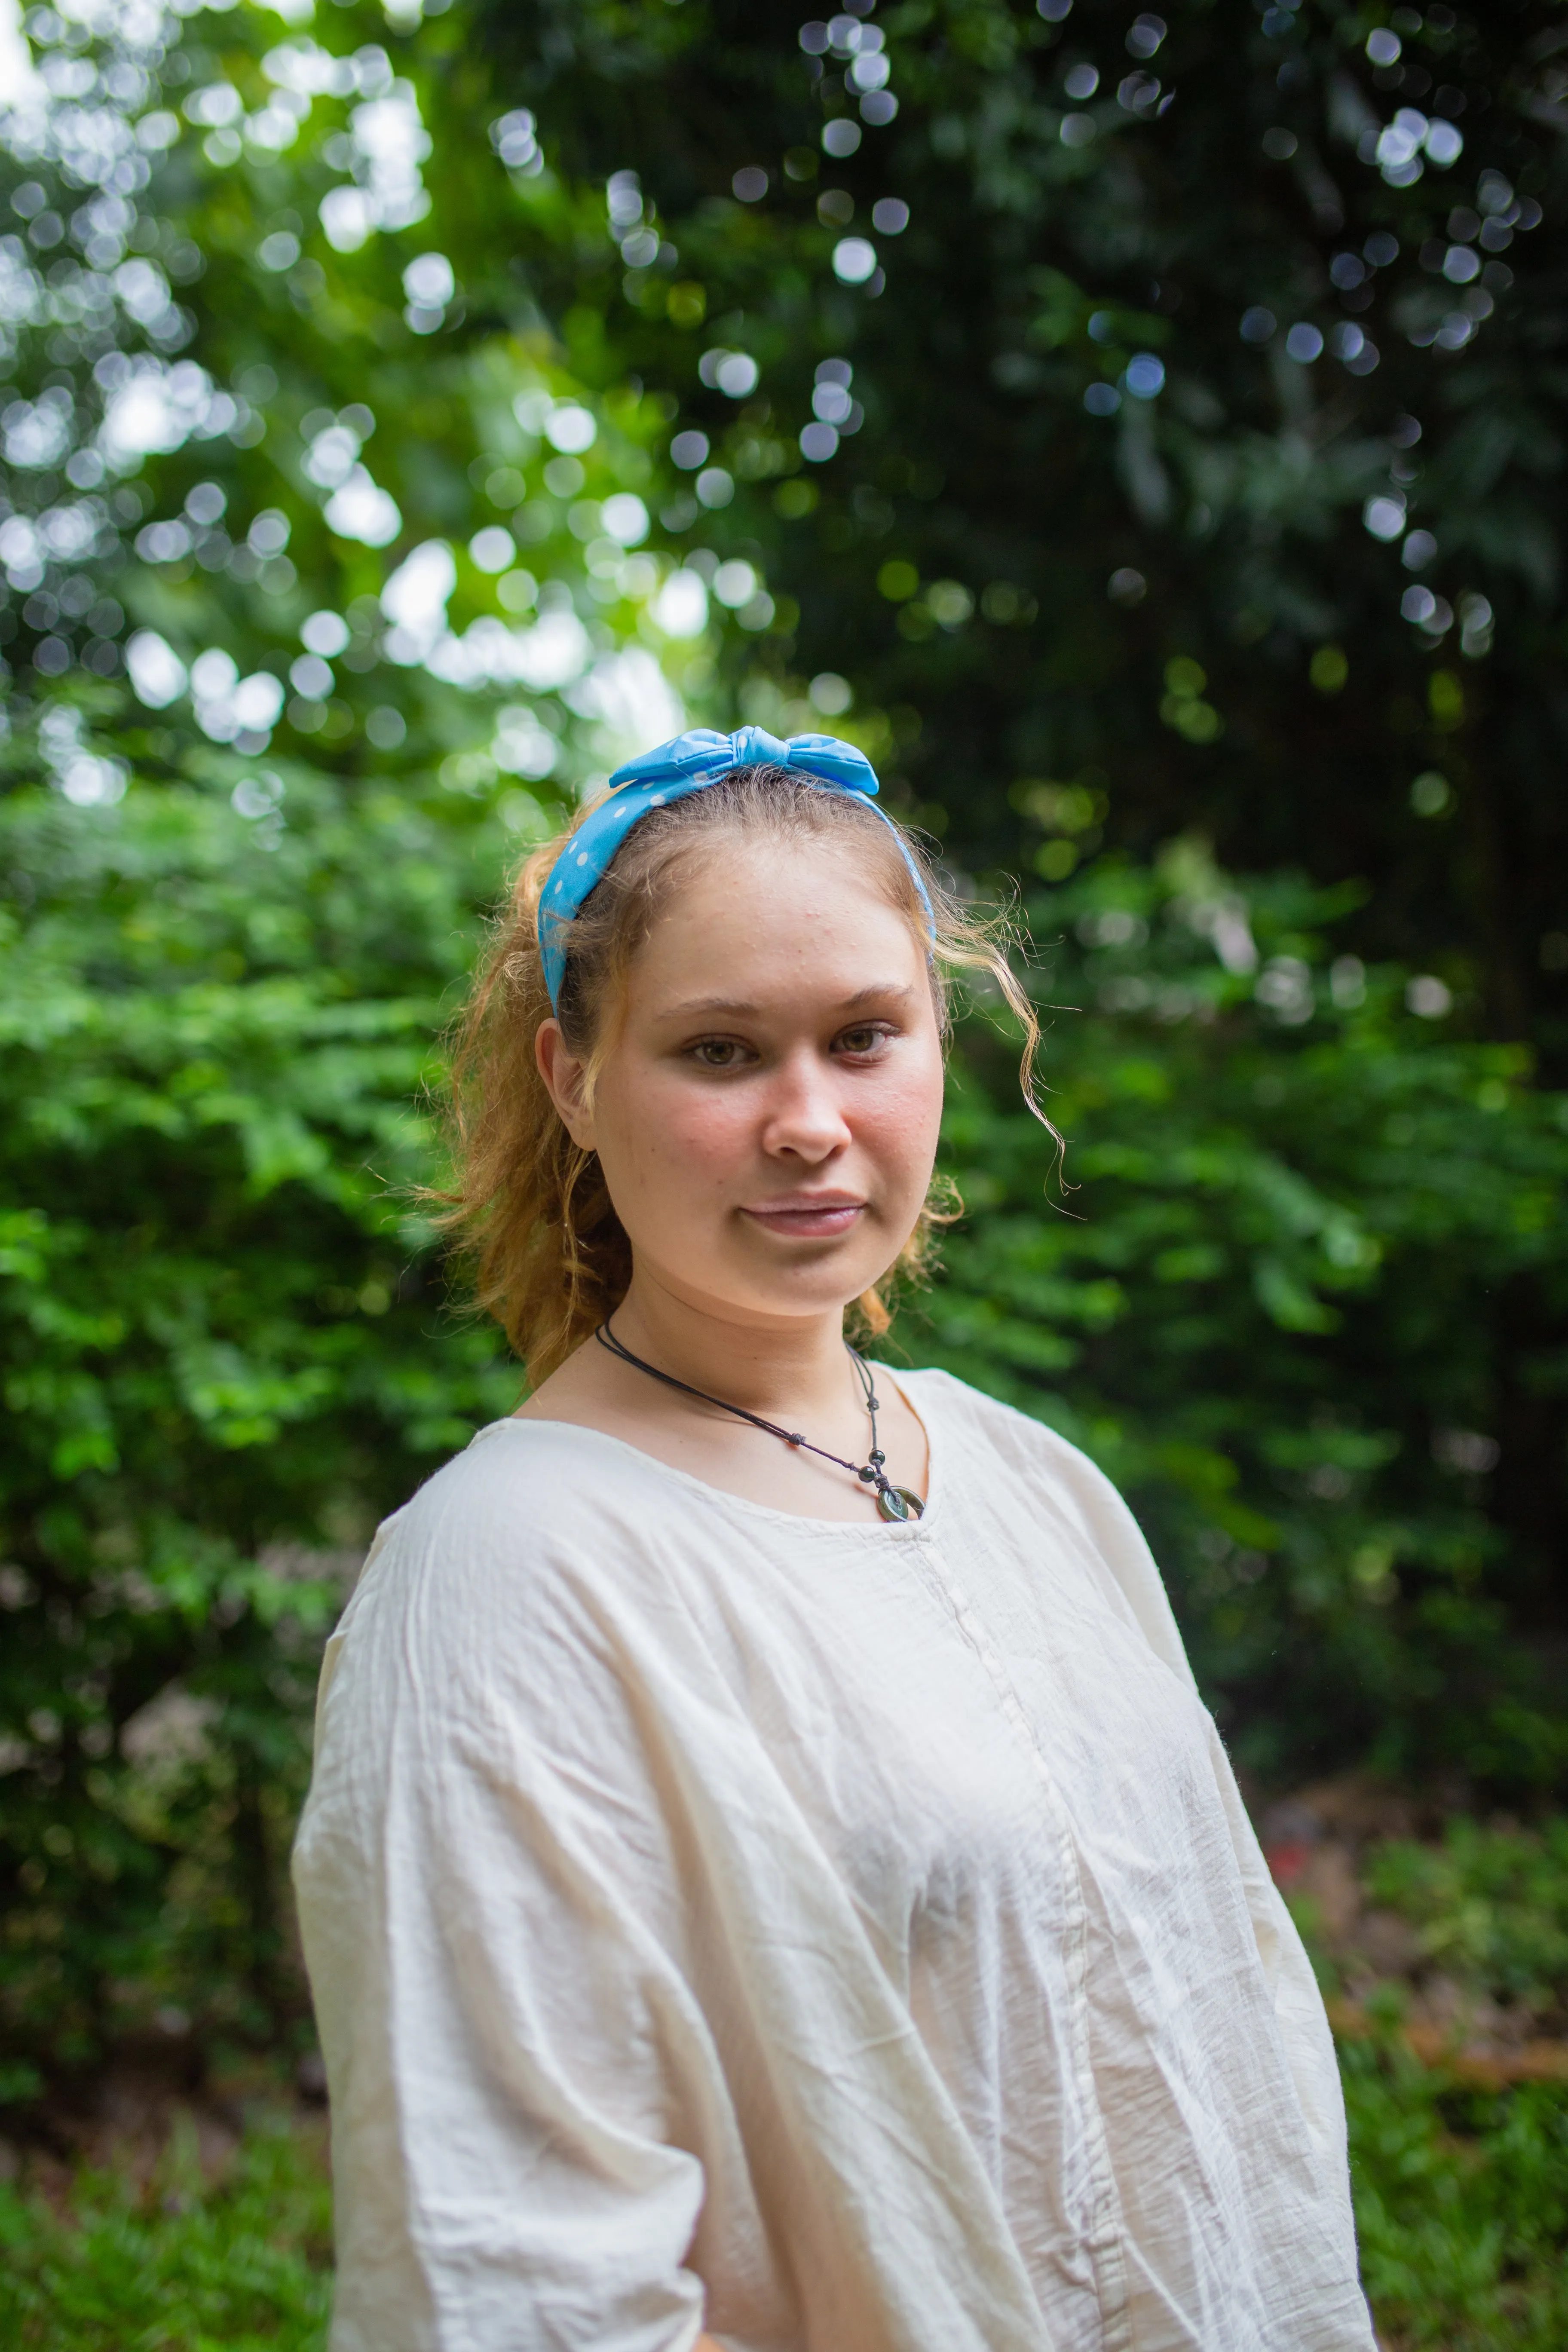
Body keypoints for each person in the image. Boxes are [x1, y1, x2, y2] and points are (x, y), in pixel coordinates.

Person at [292, 727, 1376, 2352]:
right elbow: (513, 2285)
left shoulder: (1033, 1482)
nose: (811, 1121)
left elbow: (1225, 2050)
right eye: (720, 1053)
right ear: (573, 1081)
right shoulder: (502, 1582)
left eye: (865, 1035)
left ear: (945, 1043)